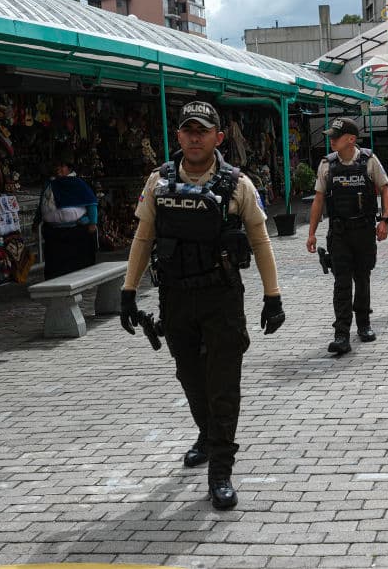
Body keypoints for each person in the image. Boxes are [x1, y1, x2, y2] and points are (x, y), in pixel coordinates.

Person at [119, 101, 286, 511]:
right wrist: (127, 291)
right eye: (188, 130)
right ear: (178, 136)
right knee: (191, 378)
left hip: (222, 298)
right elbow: (143, 237)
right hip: (175, 298)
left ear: (218, 137)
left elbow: (261, 240)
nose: (195, 137)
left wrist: (273, 295)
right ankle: (207, 436)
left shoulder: (237, 184)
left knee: (223, 385)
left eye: (203, 130)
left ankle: (221, 470)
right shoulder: (158, 182)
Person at [305, 117, 388, 356]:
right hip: (339, 233)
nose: (331, 140)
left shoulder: (369, 161)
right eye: (330, 136)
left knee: (362, 278)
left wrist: (384, 220)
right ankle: (341, 334)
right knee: (341, 282)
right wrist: (311, 233)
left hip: (363, 230)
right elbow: (319, 199)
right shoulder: (327, 165)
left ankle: (364, 324)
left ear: (351, 139)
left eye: (336, 136)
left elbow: (385, 189)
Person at [34, 156, 98, 280]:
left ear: (69, 168)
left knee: (76, 263)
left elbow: (91, 203)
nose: (58, 169)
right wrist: (36, 223)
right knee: (56, 265)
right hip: (54, 232)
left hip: (75, 230)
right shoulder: (50, 185)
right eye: (56, 166)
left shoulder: (78, 184)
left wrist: (93, 223)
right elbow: (42, 204)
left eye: (62, 166)